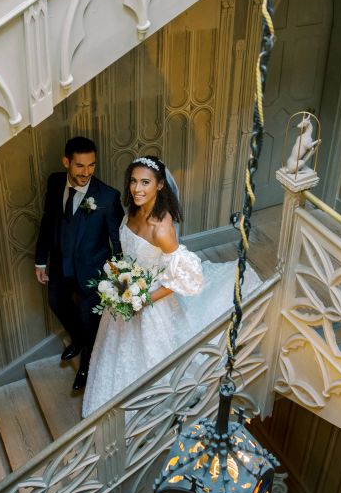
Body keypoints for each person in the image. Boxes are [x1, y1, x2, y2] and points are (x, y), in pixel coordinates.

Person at [82, 156, 260, 418]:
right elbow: (127, 251)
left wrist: (144, 299)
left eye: (145, 182)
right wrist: (119, 278)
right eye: (133, 181)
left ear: (160, 185)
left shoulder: (161, 229)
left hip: (149, 300)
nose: (137, 189)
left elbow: (185, 278)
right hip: (126, 291)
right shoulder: (132, 210)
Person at [35, 136, 123, 391]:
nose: (86, 173)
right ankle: (78, 340)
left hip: (92, 272)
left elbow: (117, 243)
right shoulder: (54, 183)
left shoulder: (107, 197)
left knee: (89, 321)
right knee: (57, 303)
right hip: (60, 267)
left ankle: (88, 360)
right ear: (66, 162)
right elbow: (47, 221)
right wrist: (41, 260)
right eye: (79, 166)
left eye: (91, 165)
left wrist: (116, 280)